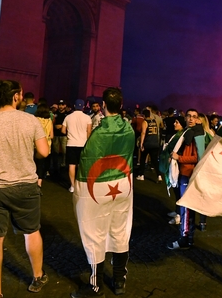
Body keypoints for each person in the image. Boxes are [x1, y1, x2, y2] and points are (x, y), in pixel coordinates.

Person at [0, 80, 50, 298]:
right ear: (16, 96)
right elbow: (44, 152)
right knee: (31, 231)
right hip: (25, 186)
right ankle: (37, 276)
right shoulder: (30, 120)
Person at [71, 87, 134, 297]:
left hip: (98, 187)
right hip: (123, 184)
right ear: (122, 105)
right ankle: (119, 282)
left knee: (94, 232)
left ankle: (95, 286)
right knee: (120, 230)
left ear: (104, 105)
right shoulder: (129, 129)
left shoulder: (99, 132)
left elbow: (87, 161)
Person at [167, 109, 204, 250]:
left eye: (194, 117)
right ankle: (188, 238)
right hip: (185, 173)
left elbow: (197, 157)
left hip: (188, 174)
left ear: (198, 120)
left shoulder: (195, 135)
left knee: (186, 208)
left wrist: (179, 158)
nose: (190, 119)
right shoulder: (188, 133)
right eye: (188, 116)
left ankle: (184, 240)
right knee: (187, 209)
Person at [62, 99, 92, 192]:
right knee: (82, 165)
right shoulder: (87, 118)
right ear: (83, 107)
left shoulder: (68, 117)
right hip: (83, 144)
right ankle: (81, 185)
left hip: (71, 143)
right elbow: (89, 133)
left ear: (74, 106)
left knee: (72, 165)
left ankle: (72, 186)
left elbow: (63, 130)